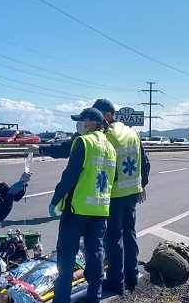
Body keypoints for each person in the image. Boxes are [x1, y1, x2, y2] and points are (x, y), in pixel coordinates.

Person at [48, 108, 117, 303]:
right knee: (95, 254)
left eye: (83, 120)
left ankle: (62, 300)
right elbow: (115, 177)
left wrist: (55, 200)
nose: (80, 124)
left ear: (94, 122)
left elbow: (70, 175)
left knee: (66, 258)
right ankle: (94, 297)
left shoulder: (83, 142)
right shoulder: (110, 148)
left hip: (76, 210)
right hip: (101, 210)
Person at [90, 99, 150, 294]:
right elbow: (145, 162)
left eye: (98, 116)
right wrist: (142, 185)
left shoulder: (106, 135)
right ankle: (132, 275)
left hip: (114, 194)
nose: (95, 121)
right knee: (130, 233)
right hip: (132, 192)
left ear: (108, 115)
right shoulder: (132, 132)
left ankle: (116, 281)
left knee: (113, 238)